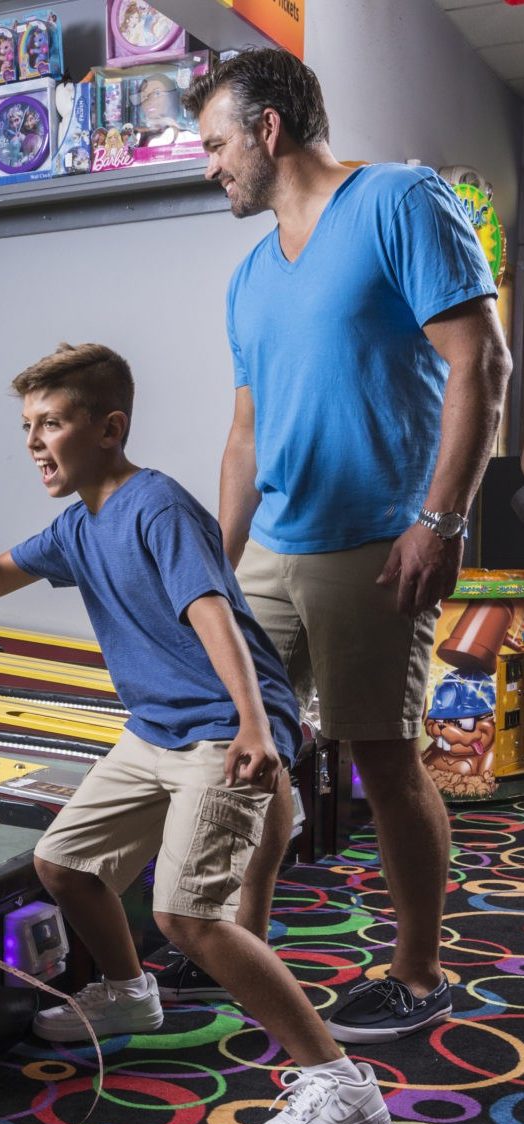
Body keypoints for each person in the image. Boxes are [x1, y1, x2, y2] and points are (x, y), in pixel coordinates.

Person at [0, 342, 391, 1124]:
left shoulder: (156, 506)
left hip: (223, 728)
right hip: (154, 729)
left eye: (54, 423)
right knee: (65, 863)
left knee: (186, 916)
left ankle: (342, 1084)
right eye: (29, 426)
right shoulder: (78, 525)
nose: (36, 441)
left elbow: (214, 613)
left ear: (108, 428)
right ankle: (126, 992)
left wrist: (255, 727)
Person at [168, 50, 511, 1041]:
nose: (209, 166)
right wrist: (211, 571)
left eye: (215, 144)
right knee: (241, 745)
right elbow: (244, 436)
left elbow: (477, 362)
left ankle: (416, 969)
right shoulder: (246, 276)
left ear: (266, 128)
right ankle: (242, 932)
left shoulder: (400, 200)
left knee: (380, 755)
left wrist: (438, 521)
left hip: (376, 544)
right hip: (272, 547)